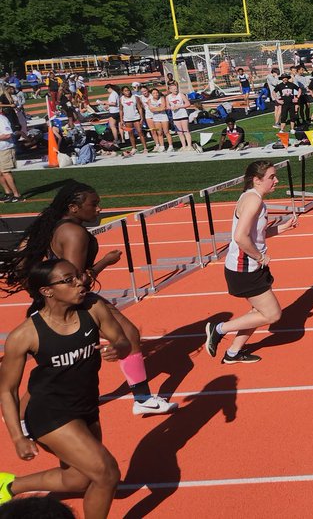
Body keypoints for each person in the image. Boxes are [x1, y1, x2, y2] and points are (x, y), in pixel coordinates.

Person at [0, 182, 175, 415]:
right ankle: (23, 414)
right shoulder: (74, 233)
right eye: (94, 204)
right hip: (73, 301)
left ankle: (142, 397)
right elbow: (75, 279)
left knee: (70, 358)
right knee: (63, 363)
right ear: (73, 207)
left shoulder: (58, 226)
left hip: (65, 300)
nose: (99, 209)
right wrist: (105, 262)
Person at [0, 259, 130, 519]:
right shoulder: (25, 335)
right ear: (47, 291)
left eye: (78, 276)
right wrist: (17, 438)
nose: (80, 282)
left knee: (78, 480)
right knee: (107, 474)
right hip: (48, 412)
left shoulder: (93, 309)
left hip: (86, 406)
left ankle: (9, 486)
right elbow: (7, 390)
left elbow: (124, 340)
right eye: (68, 280)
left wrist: (118, 349)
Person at [204, 162, 296, 364]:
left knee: (258, 311)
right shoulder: (253, 201)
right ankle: (218, 328)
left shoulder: (254, 199)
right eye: (272, 177)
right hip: (244, 269)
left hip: (251, 267)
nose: (276, 180)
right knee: (272, 315)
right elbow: (240, 237)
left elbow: (257, 234)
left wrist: (283, 228)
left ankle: (233, 353)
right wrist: (260, 257)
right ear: (257, 180)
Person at [165, 83, 197, 152]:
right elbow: (167, 106)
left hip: (183, 115)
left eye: (176, 88)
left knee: (186, 130)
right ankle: (183, 146)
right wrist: (172, 108)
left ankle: (189, 145)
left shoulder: (181, 95)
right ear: (170, 90)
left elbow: (188, 103)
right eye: (173, 89)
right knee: (179, 132)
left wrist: (179, 106)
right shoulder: (168, 97)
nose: (175, 90)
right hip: (175, 116)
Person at [118, 85, 148, 153]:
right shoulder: (121, 99)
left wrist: (142, 118)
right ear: (122, 92)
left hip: (136, 118)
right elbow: (121, 110)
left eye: (128, 90)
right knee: (130, 133)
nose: (127, 92)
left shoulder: (135, 97)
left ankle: (145, 148)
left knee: (140, 132)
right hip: (127, 119)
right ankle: (134, 148)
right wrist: (121, 120)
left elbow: (140, 108)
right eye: (125, 91)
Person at [0, 113, 22, 202]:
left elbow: (8, 134)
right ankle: (8, 193)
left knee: (6, 172)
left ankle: (17, 195)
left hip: (5, 149)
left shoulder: (2, 119)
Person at [144, 88, 171, 152]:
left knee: (166, 132)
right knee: (159, 133)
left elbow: (163, 108)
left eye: (157, 93)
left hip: (164, 117)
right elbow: (151, 109)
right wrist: (159, 108)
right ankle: (162, 146)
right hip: (156, 118)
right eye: (154, 93)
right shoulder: (150, 101)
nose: (156, 94)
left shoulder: (162, 98)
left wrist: (156, 109)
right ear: (151, 94)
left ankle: (170, 146)